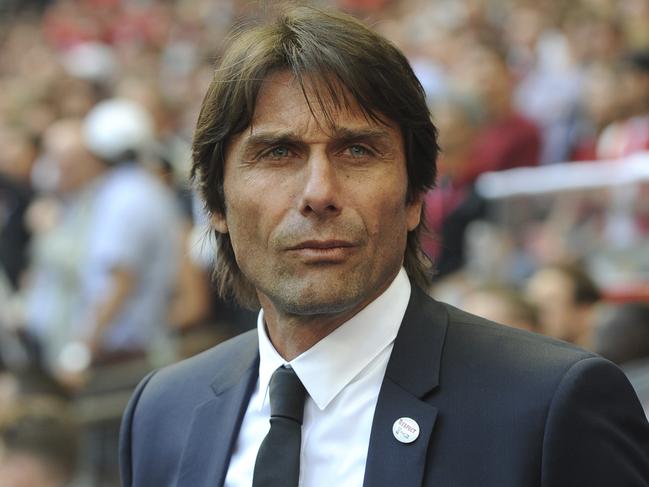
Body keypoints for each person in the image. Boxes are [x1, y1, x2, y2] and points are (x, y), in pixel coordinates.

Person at [119, 6, 649, 487]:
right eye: (278, 152)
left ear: (415, 195)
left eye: (356, 150)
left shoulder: (550, 405)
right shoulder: (162, 412)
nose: (319, 193)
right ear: (215, 203)